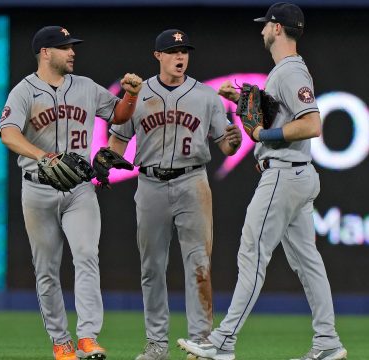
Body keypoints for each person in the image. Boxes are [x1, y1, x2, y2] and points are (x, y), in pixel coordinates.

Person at [177, 3, 347, 360]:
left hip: (284, 174)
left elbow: (312, 124)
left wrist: (264, 134)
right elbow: (280, 111)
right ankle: (328, 343)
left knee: (252, 254)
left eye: (265, 25)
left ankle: (222, 342)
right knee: (308, 262)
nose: (261, 31)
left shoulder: (289, 72)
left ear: (277, 28)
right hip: (296, 172)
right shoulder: (286, 72)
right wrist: (241, 100)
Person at [0, 25, 142, 360]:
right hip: (38, 189)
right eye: (65, 47)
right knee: (46, 269)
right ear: (45, 53)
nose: (72, 52)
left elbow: (119, 114)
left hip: (79, 189)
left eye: (72, 46)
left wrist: (131, 95)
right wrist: (43, 155)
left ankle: (88, 337)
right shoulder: (24, 91)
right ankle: (61, 342)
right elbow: (8, 133)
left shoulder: (86, 88)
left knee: (87, 256)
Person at [108, 29, 242, 360]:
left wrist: (233, 142)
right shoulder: (139, 94)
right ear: (158, 56)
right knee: (151, 267)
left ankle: (202, 342)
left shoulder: (206, 96)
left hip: (192, 182)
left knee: (198, 263)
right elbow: (117, 142)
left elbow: (224, 144)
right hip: (150, 183)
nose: (180, 56)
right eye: (172, 51)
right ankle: (156, 344)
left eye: (184, 51)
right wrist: (107, 162)